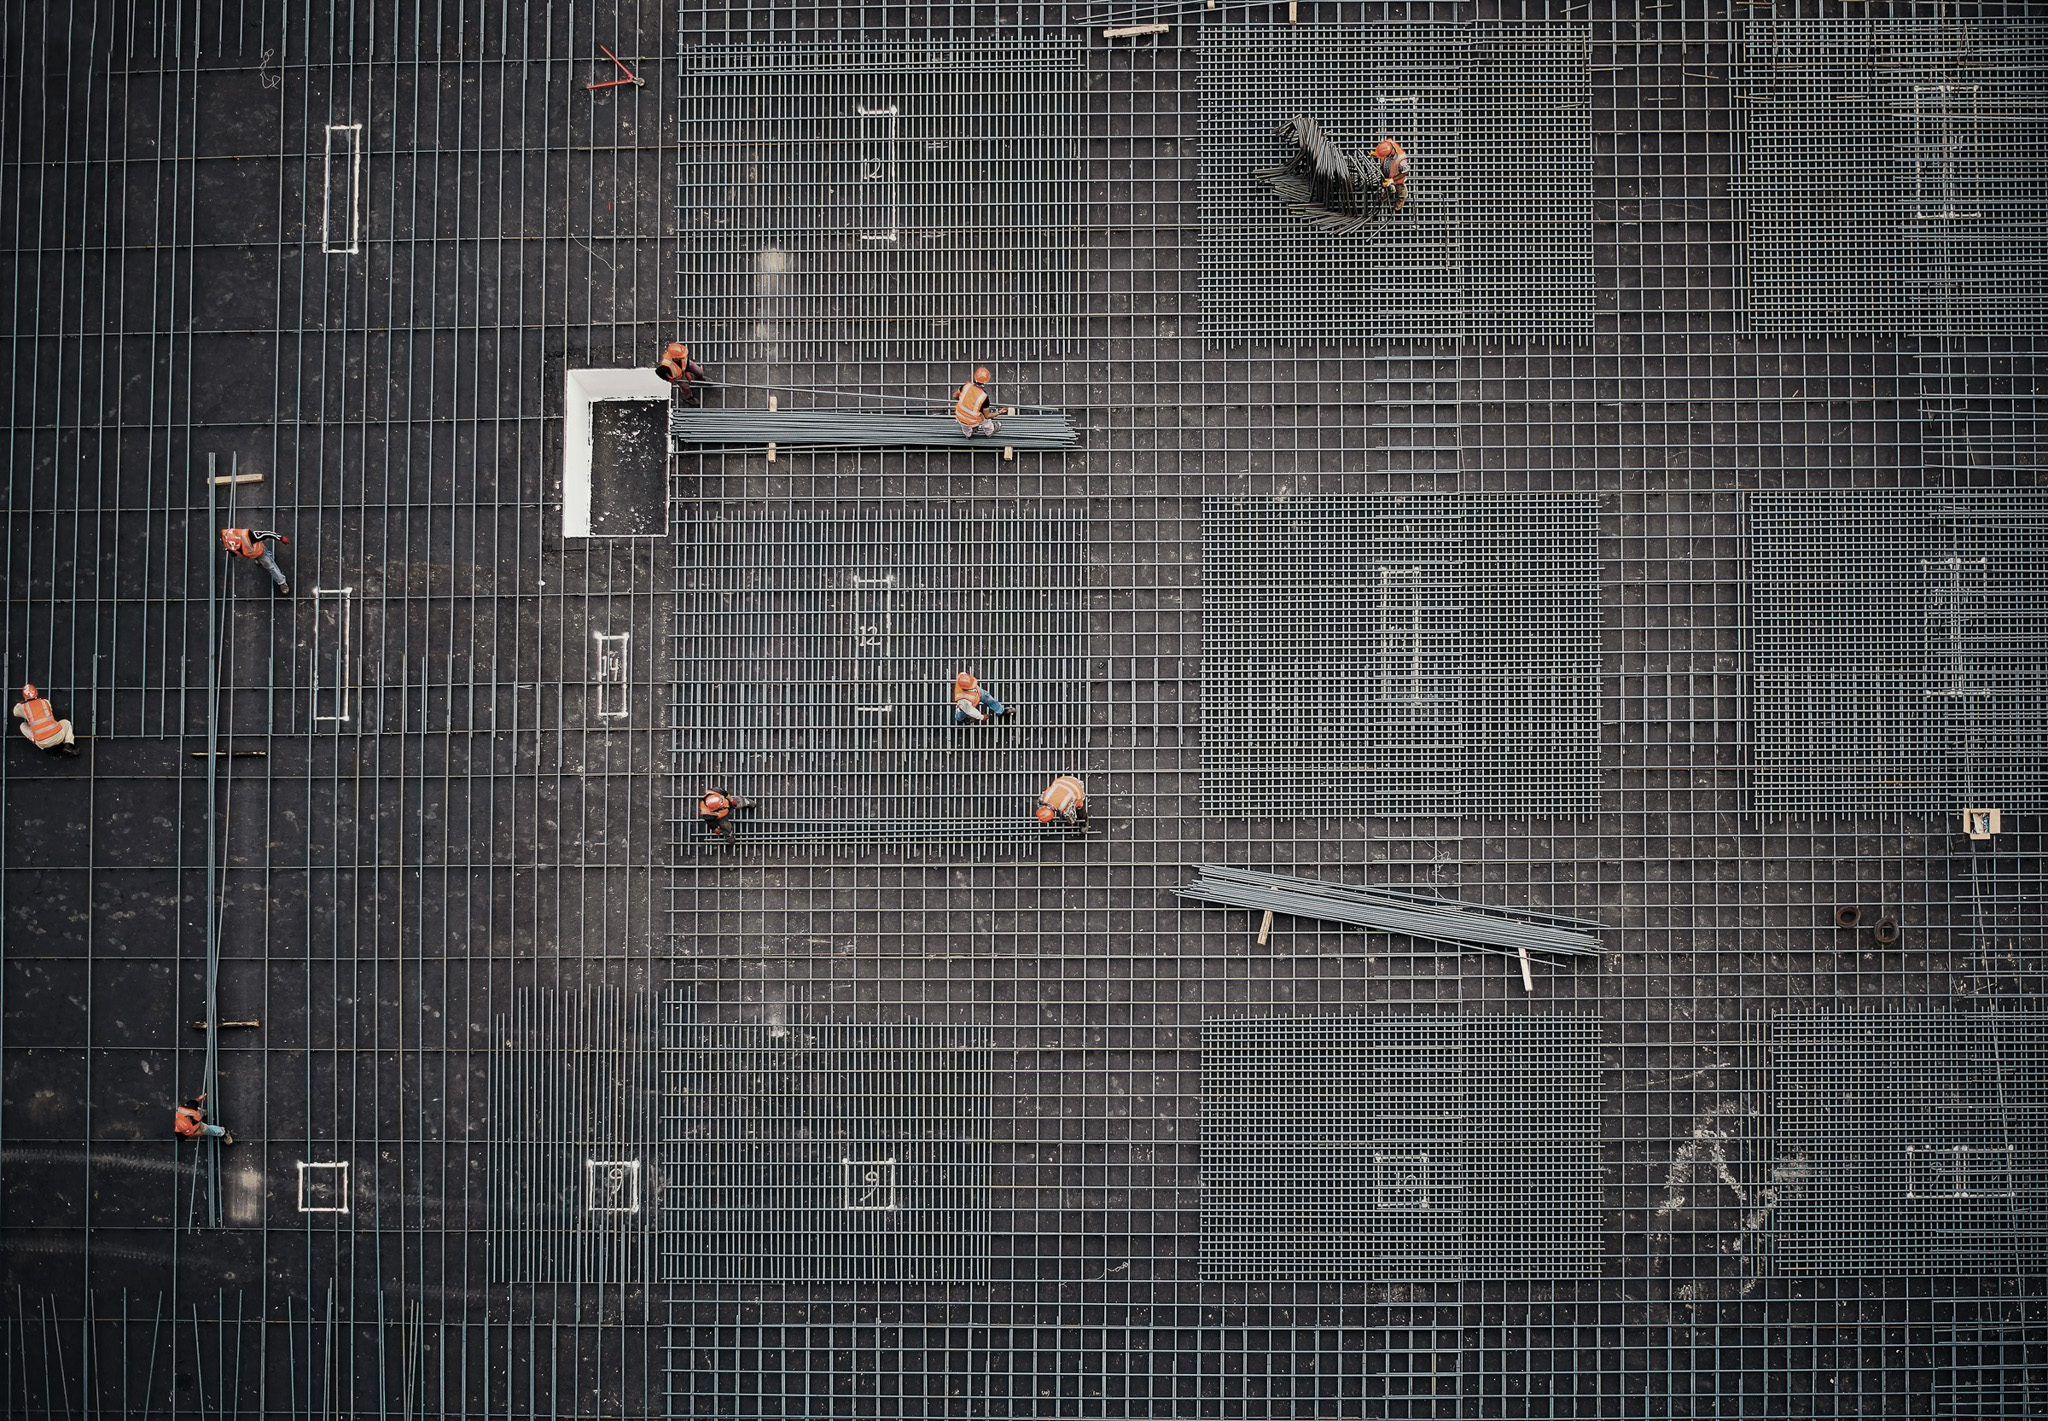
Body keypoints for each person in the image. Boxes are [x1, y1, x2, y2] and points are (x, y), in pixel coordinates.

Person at [220, 527, 291, 595]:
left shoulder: (249, 536)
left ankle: (282, 582)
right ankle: (264, 557)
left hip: (260, 553)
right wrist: (232, 552)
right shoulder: (225, 538)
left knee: (270, 567)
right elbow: (229, 547)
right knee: (259, 558)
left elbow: (265, 534)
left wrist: (280, 538)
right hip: (251, 553)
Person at [14, 683, 77, 755]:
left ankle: (40, 744)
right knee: (66, 723)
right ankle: (68, 745)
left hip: (42, 742)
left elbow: (15, 712)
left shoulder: (23, 708)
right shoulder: (45, 702)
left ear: (24, 696)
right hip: (57, 736)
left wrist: (20, 703)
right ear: (36, 693)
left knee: (23, 726)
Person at [953, 366, 1007, 439]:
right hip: (972, 421)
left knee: (965, 424)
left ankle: (968, 434)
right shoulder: (983, 397)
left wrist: (966, 401)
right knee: (985, 418)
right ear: (985, 383)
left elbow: (955, 396)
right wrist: (999, 412)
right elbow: (987, 416)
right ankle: (989, 432)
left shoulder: (966, 386)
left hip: (959, 417)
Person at [1373, 139, 1410, 210]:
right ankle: (1388, 194)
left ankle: (1401, 200)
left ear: (1390, 154)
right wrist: (1377, 154)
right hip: (1387, 175)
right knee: (1389, 188)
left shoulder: (1401, 159)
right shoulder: (1388, 145)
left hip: (1397, 178)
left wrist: (1392, 180)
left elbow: (1405, 172)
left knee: (1401, 190)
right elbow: (1384, 150)